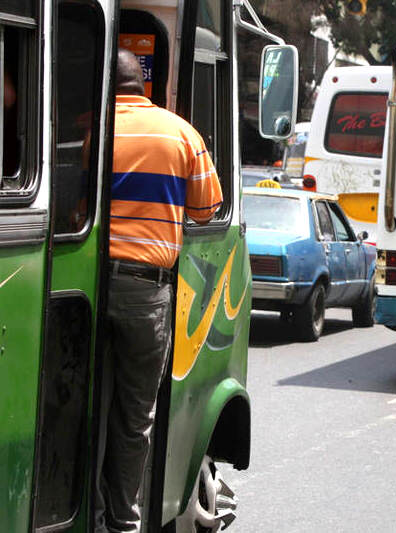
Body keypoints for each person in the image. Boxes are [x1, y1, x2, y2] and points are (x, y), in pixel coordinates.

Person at [95, 49, 222, 533]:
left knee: (92, 407)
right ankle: (124, 524)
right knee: (134, 417)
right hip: (146, 294)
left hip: (87, 287)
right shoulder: (181, 133)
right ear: (143, 85)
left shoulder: (94, 130)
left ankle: (94, 513)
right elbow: (208, 210)